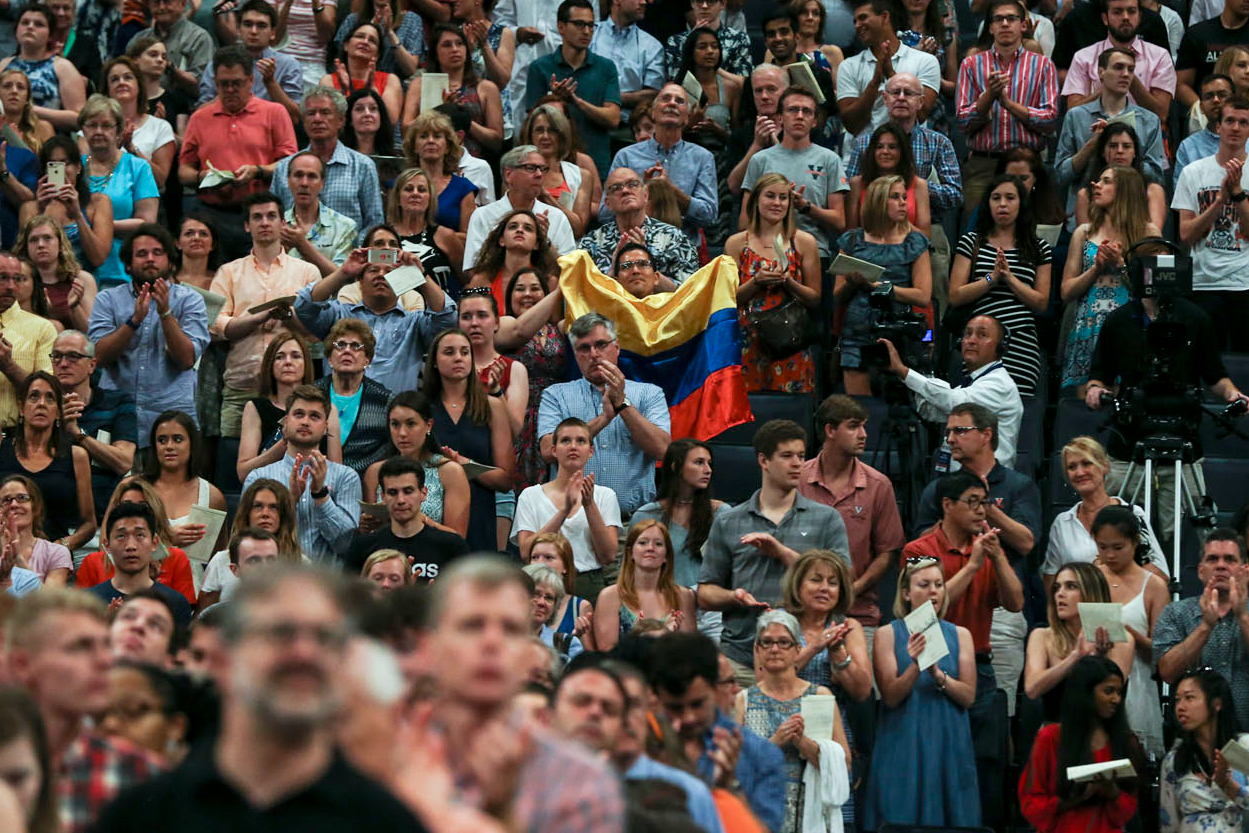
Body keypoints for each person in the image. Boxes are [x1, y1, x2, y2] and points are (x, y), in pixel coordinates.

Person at [92, 568, 431, 831]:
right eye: (280, 633)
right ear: (223, 659)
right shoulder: (141, 818)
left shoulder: (388, 823)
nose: (304, 653)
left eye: (325, 638)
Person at [421, 556, 626, 828]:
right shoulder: (384, 755)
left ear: (530, 649)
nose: (492, 642)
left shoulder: (581, 780)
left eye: (510, 629)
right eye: (471, 625)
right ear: (432, 642)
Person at [1083, 273, 1247, 543]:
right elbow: (1100, 375)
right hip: (1129, 442)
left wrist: (1233, 394)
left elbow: (1215, 376)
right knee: (1118, 528)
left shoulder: (1196, 318)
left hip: (1183, 439)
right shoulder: (1119, 320)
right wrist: (1095, 390)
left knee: (1185, 535)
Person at [698, 419, 850, 685]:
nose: (797, 464)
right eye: (787, 456)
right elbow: (706, 593)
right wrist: (736, 595)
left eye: (801, 456)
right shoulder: (729, 521)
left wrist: (781, 552)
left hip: (810, 661)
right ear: (763, 461)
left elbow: (844, 582)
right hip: (741, 659)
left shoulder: (827, 518)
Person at [7, 589, 164, 833]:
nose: (104, 661)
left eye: (106, 646)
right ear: (22, 664)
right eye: (80, 646)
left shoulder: (141, 774)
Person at [865, 555, 980, 828]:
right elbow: (891, 696)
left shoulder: (961, 634)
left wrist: (938, 675)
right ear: (906, 593)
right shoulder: (888, 634)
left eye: (939, 585)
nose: (933, 591)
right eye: (924, 584)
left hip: (948, 741)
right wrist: (917, 666)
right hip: (903, 741)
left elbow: (968, 696)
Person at [537, 312, 671, 525]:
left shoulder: (650, 394)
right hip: (572, 521)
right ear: (575, 354)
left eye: (601, 345)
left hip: (634, 525)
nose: (594, 354)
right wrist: (604, 419)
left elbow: (662, 449)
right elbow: (548, 450)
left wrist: (622, 404)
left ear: (616, 348)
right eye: (584, 348)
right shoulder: (556, 395)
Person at [646, 631, 787, 830]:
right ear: (655, 697)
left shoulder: (759, 755)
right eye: (675, 708)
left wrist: (730, 792)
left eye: (697, 705)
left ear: (717, 689)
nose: (688, 718)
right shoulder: (639, 749)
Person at [209, 192, 321, 439]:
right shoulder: (229, 272)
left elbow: (316, 330)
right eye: (257, 217)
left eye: (272, 216)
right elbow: (215, 325)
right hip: (242, 386)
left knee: (292, 464)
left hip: (293, 390)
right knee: (232, 465)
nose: (265, 222)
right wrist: (257, 319)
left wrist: (288, 316)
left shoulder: (307, 272)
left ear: (283, 223)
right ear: (248, 226)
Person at [87, 224, 210, 444]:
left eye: (158, 253)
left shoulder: (190, 300)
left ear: (170, 261)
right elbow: (100, 357)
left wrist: (165, 314)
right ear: (127, 265)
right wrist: (133, 322)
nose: (150, 259)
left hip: (171, 416)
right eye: (141, 254)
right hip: (117, 415)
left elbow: (186, 359)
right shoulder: (107, 299)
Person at [178, 45, 299, 260]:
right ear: (215, 82)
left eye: (237, 83)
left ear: (250, 81)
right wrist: (202, 176)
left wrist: (258, 171)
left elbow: (290, 164)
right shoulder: (200, 118)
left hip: (259, 213)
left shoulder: (274, 112)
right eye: (224, 84)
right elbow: (183, 172)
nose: (231, 89)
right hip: (211, 213)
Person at [799, 395, 906, 637]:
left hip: (858, 615)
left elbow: (887, 553)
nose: (864, 434)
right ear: (830, 430)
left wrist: (850, 590)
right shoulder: (798, 480)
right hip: (800, 615)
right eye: (853, 426)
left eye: (864, 426)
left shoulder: (879, 485)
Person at [736, 609, 850, 833]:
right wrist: (775, 742)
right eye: (767, 643)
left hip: (812, 812)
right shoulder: (743, 700)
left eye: (783, 642)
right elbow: (734, 768)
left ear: (798, 648)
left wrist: (803, 743)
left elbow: (844, 763)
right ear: (757, 649)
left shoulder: (820, 696)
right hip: (760, 813)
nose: (775, 649)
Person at [295, 245, 458, 394]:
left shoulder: (414, 324)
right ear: (360, 281)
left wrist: (420, 276)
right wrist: (343, 272)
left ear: (402, 280)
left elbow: (447, 318)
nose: (381, 275)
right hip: (342, 416)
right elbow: (303, 305)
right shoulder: (338, 316)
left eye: (389, 272)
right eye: (373, 270)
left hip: (396, 418)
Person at [948, 174, 1052, 398]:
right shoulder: (971, 242)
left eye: (1010, 198)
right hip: (980, 342)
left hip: (1021, 343)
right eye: (996, 198)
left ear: (1021, 204)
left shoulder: (1039, 247)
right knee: (979, 411)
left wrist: (1009, 278)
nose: (1002, 204)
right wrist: (990, 279)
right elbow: (955, 295)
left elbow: (1042, 302)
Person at [1060, 165, 1159, 392]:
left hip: (1130, 328)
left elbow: (1155, 292)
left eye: (1106, 181)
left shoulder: (1148, 233)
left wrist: (1121, 265)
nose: (1096, 185)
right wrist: (1096, 268)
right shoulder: (1083, 232)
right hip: (1088, 327)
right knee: (1084, 407)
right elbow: (1066, 292)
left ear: (1124, 190)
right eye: (1098, 180)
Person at [880, 314, 1024, 467]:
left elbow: (956, 403)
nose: (971, 340)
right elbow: (930, 412)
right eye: (968, 334)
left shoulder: (999, 384)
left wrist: (904, 371)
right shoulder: (972, 383)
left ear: (1000, 347)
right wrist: (923, 368)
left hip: (988, 483)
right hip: (960, 480)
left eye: (982, 335)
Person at [1019, 656, 1142, 833]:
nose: (1116, 699)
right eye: (1109, 691)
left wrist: (1112, 791)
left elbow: (1126, 813)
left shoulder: (1125, 740)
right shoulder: (1049, 738)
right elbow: (1031, 805)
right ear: (1085, 692)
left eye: (1119, 692)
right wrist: (1074, 798)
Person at [241, 384, 362, 564]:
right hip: (272, 582)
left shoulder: (346, 477)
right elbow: (248, 542)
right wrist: (290, 501)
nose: (305, 421)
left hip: (328, 586)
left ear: (326, 427)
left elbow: (346, 545)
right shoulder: (258, 478)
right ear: (286, 422)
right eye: (298, 414)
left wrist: (320, 495)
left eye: (314, 416)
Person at [955, 0, 1060, 208]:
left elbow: (1050, 120)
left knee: (1030, 236)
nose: (1004, 24)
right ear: (990, 28)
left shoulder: (1043, 65)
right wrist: (988, 98)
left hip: (1027, 166)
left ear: (1023, 25)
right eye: (998, 19)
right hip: (983, 166)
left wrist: (1008, 104)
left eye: (1011, 18)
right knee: (976, 236)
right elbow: (962, 122)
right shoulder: (971, 64)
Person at [727, 172, 822, 394]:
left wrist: (789, 283)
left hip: (790, 340)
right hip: (747, 339)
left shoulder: (805, 242)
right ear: (756, 200)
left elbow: (815, 299)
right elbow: (728, 300)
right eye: (770, 196)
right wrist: (756, 282)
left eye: (783, 197)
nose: (777, 203)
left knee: (792, 412)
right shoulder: (736, 243)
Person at [423, 328, 515, 551]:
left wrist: (465, 464)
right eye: (449, 352)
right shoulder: (422, 407)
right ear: (434, 361)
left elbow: (506, 479)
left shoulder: (490, 407)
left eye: (465, 352)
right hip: (431, 513)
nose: (458, 358)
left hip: (479, 513)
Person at [1089, 506, 1167, 756]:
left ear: (1135, 543)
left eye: (1118, 547)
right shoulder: (1090, 578)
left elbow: (1160, 653)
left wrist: (1128, 633)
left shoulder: (1154, 586)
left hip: (1137, 685)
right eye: (1102, 547)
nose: (1109, 555)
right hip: (1092, 682)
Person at [741, 85, 848, 268]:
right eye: (792, 110)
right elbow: (744, 222)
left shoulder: (830, 159)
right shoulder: (760, 160)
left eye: (807, 111)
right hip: (764, 252)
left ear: (815, 121)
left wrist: (804, 206)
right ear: (780, 118)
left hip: (814, 252)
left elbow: (839, 221)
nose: (799, 116)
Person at [1174, 94, 1249, 351]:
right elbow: (1185, 236)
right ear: (1218, 127)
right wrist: (1218, 202)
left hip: (1245, 283)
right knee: (1205, 367)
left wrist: (1238, 194)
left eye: (1243, 122)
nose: (1236, 128)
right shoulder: (1192, 172)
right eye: (1230, 120)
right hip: (1203, 283)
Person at [602, 83, 717, 250]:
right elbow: (604, 213)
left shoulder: (702, 157)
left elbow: (709, 216)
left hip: (684, 249)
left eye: (679, 101)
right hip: (633, 247)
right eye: (665, 99)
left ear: (687, 118)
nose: (672, 103)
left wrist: (671, 191)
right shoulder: (626, 156)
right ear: (653, 114)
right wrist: (639, 193)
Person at [1054, 48, 1165, 218]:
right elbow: (1061, 175)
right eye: (1119, 67)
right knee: (1087, 245)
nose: (1126, 74)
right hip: (1087, 218)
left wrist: (1128, 158)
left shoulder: (1149, 121)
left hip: (1131, 220)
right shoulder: (1076, 117)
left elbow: (1157, 176)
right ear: (1101, 72)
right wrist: (1093, 144)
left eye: (1131, 69)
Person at [1043, 436, 1167, 587]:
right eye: (1072, 467)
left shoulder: (1133, 514)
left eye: (1087, 463)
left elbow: (1162, 576)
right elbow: (1051, 581)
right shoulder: (1062, 522)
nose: (1080, 472)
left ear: (1105, 467)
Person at [1155, 531, 1249, 729]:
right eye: (1212, 559)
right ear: (1200, 570)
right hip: (1192, 737)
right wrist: (1205, 627)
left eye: (1230, 559)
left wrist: (1242, 616)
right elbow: (1167, 672)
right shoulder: (1175, 612)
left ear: (1245, 569)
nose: (1221, 565)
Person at [271, 87, 385, 247]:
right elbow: (272, 217)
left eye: (325, 112)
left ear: (340, 120)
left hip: (348, 261)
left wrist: (349, 251)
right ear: (304, 122)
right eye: (311, 113)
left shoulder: (362, 166)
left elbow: (374, 222)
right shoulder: (284, 168)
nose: (317, 119)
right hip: (292, 261)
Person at [1024, 561, 1134, 720]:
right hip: (1056, 731)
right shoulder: (1042, 636)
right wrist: (1075, 657)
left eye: (1071, 586)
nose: (1060, 594)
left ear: (1091, 592)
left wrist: (1100, 659)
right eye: (1057, 587)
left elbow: (1111, 697)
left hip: (1100, 732)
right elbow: (1032, 689)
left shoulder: (1122, 639)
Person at [522, 0, 620, 176]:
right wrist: (554, 98)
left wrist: (576, 101)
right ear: (561, 27)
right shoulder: (540, 67)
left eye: (591, 25)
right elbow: (532, 123)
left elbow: (613, 118)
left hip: (596, 163)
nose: (587, 31)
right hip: (550, 167)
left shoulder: (606, 67)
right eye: (579, 24)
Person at [0, 372, 94, 551]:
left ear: (58, 412)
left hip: (54, 556)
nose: (41, 404)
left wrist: (60, 546)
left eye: (50, 398)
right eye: (34, 396)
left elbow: (89, 525)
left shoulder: (77, 456)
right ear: (21, 407)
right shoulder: (1, 449)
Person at [633, 439, 729, 609]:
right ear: (676, 466)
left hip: (709, 611)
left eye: (709, 464)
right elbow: (630, 572)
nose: (708, 470)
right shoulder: (646, 515)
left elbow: (730, 569)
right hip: (661, 607)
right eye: (699, 463)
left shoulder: (721, 514)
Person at [52, 332, 136, 524]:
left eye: (73, 356)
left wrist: (78, 433)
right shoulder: (44, 408)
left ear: (92, 365)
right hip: (54, 524)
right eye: (57, 356)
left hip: (105, 521)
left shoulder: (118, 403)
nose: (63, 364)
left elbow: (123, 462)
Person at [78, 96, 160, 291]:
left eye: (106, 126)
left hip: (122, 269)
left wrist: (102, 227)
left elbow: (147, 221)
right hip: (77, 270)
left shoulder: (137, 167)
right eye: (92, 125)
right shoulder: (75, 167)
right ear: (83, 129)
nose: (99, 131)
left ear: (119, 130)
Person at [236, 330, 341, 481]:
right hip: (269, 489)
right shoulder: (255, 408)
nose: (288, 362)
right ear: (270, 365)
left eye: (296, 356)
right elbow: (243, 473)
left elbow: (337, 472)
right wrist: (285, 442)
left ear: (306, 363)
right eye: (279, 357)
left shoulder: (328, 409)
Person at [360, 391, 470, 536]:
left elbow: (458, 538)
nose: (402, 433)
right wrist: (366, 526)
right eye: (395, 424)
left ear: (428, 425)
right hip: (387, 553)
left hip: (434, 555)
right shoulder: (375, 472)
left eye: (411, 424)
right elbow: (370, 535)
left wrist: (421, 521)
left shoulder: (449, 472)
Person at [578, 161, 698, 287]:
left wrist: (646, 262)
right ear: (607, 203)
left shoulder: (674, 238)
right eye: (616, 188)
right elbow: (584, 295)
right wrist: (614, 269)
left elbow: (687, 293)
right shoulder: (591, 242)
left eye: (632, 184)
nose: (625, 191)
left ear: (645, 195)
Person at [837, 0, 941, 143]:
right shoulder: (848, 66)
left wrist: (891, 75)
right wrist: (875, 82)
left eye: (863, 18)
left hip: (910, 154)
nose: (857, 25)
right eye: (854, 21)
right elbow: (851, 125)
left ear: (885, 17)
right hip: (862, 157)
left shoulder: (925, 61)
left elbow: (920, 115)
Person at [1160, 668, 1249, 833]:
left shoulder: (1244, 746)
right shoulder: (1174, 759)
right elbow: (1168, 822)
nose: (1180, 707)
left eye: (1189, 698)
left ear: (1217, 703)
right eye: (1178, 700)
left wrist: (1227, 784)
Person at [346, 456, 468, 576]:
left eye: (408, 491)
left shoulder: (451, 546)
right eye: (392, 492)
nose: (401, 500)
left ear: (423, 493)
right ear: (383, 497)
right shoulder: (362, 548)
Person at [462, 145, 577, 270]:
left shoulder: (557, 217)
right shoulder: (483, 215)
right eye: (531, 168)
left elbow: (569, 272)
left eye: (543, 169)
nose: (539, 174)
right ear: (508, 174)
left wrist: (545, 242)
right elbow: (473, 269)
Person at [1060, 0, 1175, 123]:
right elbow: (1072, 113)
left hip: (1144, 135)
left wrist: (1129, 77)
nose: (1125, 17)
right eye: (1117, 12)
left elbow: (1161, 114)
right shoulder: (1083, 57)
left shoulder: (1160, 56)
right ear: (1105, 18)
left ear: (1139, 17)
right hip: (1093, 133)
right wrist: (1106, 89)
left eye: (1131, 11)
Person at [86, 501, 193, 627]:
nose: (131, 546)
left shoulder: (175, 603)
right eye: (121, 536)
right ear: (107, 545)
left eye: (140, 535)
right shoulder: (88, 602)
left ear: (154, 543)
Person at [403, 24, 502, 157]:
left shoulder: (486, 88)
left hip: (472, 164)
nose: (455, 49)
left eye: (460, 44)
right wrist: (441, 109)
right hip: (429, 161)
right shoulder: (420, 84)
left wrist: (460, 117)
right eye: (447, 45)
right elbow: (406, 130)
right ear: (436, 53)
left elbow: (496, 141)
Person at [595, 519, 696, 649]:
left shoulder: (683, 596)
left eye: (658, 544)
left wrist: (670, 636)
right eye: (643, 543)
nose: (650, 548)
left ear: (666, 555)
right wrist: (637, 637)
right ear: (630, 552)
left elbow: (691, 652)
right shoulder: (610, 596)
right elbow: (607, 653)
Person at [198, 480, 300, 610]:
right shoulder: (221, 560)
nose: (265, 514)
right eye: (258, 506)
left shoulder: (301, 564)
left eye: (274, 507)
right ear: (247, 513)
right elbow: (204, 618)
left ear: (284, 515)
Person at [198, 0, 302, 122]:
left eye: (261, 25)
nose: (253, 31)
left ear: (273, 33)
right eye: (248, 24)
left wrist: (270, 83)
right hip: (225, 129)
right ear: (238, 29)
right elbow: (200, 114)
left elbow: (294, 117)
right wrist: (227, 89)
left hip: (268, 132)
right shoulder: (219, 64)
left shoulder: (288, 65)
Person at [21, 136, 111, 272]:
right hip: (41, 284)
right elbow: (24, 258)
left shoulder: (98, 202)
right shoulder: (29, 208)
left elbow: (98, 258)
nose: (60, 171)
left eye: (65, 163)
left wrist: (78, 215)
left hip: (84, 283)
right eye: (53, 165)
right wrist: (41, 211)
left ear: (78, 167)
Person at [142, 410, 227, 554]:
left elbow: (218, 559)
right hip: (141, 575)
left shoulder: (212, 496)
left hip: (193, 575)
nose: (169, 446)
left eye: (177, 439)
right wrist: (167, 540)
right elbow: (109, 549)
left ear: (192, 444)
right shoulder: (133, 488)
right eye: (162, 440)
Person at [314, 318, 393, 471]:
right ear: (330, 358)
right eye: (340, 345)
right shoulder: (312, 395)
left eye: (356, 346)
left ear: (367, 360)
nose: (347, 350)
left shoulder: (384, 399)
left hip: (366, 483)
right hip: (315, 478)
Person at [0, 4, 86, 131]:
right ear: (16, 30)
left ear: (51, 35)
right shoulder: (4, 64)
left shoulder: (63, 67)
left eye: (38, 24)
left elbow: (80, 119)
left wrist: (28, 109)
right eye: (25, 22)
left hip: (49, 142)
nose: (30, 27)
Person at [459, 289, 528, 440]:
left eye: (482, 315)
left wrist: (497, 392)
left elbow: (515, 430)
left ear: (496, 323)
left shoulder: (514, 369)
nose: (474, 323)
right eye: (466, 317)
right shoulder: (450, 365)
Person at [103, 57, 177, 195]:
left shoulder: (160, 127)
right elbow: (87, 173)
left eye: (128, 77)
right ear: (107, 89)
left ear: (139, 85)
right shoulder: (94, 127)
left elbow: (160, 180)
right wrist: (116, 146)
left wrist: (132, 149)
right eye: (114, 79)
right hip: (101, 198)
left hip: (146, 202)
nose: (121, 82)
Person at [1072, 125, 1168, 230]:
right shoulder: (1086, 195)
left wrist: (1122, 246)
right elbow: (1088, 242)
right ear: (1103, 152)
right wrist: (1100, 246)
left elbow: (1153, 239)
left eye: (1126, 146)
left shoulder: (1152, 191)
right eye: (1113, 146)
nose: (1120, 151)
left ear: (1134, 152)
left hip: (1139, 245)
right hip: (1100, 245)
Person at [520, 104, 592, 238]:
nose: (545, 136)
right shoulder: (516, 173)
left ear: (562, 135)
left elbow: (578, 229)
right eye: (539, 130)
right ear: (530, 136)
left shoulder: (582, 176)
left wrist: (546, 196)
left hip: (567, 250)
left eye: (552, 130)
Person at [0, 251, 54, 428]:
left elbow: (48, 393)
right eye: (3, 278)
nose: (11, 286)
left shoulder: (42, 328)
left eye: (17, 279)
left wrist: (9, 366)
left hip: (17, 438)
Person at [279, 152, 357, 275]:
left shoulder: (344, 226)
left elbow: (343, 278)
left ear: (322, 183)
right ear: (288, 181)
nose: (304, 183)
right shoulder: (276, 225)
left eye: (312, 176)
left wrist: (302, 245)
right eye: (298, 175)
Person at [846, 123, 932, 234]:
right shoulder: (857, 184)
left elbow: (926, 236)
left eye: (892, 147)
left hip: (908, 248)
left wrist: (900, 221)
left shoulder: (919, 185)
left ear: (902, 151)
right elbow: (850, 234)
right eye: (879, 147)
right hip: (867, 248)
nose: (885, 152)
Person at [402, 112, 478, 238]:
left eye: (437, 136)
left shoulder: (463, 188)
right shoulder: (398, 184)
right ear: (414, 146)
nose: (430, 141)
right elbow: (389, 233)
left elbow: (469, 239)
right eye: (423, 136)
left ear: (447, 146)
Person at [16, 215, 94, 333]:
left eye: (47, 238)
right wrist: (43, 313)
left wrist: (74, 307)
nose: (41, 244)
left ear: (60, 244)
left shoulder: (82, 279)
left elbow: (92, 335)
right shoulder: (19, 282)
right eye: (34, 240)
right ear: (26, 247)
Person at [590, 0, 663, 123]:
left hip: (632, 127)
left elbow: (654, 94)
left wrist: (613, 98)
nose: (644, 2)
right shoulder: (590, 35)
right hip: (589, 120)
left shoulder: (652, 46)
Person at [320, 21, 403, 124]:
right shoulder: (328, 80)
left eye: (372, 40)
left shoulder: (390, 80)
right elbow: (329, 120)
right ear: (346, 45)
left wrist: (372, 90)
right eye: (360, 36)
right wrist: (343, 92)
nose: (365, 42)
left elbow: (391, 121)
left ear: (377, 55)